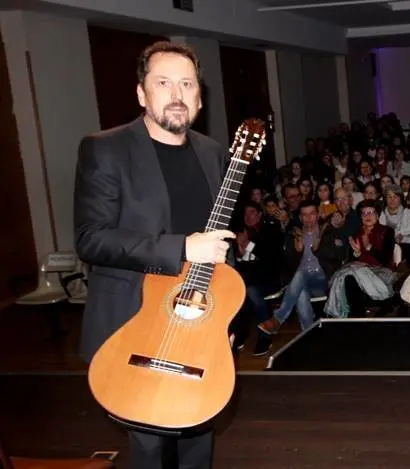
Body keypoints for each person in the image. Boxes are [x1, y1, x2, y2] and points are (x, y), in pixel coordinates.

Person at [73, 41, 227, 469]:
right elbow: (90, 239)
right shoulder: (105, 149)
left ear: (199, 97)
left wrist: (224, 321)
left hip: (198, 323)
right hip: (134, 324)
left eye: (187, 84)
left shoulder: (213, 153)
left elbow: (216, 246)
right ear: (142, 93)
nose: (177, 95)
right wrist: (182, 247)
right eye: (163, 83)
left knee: (199, 433)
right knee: (149, 448)